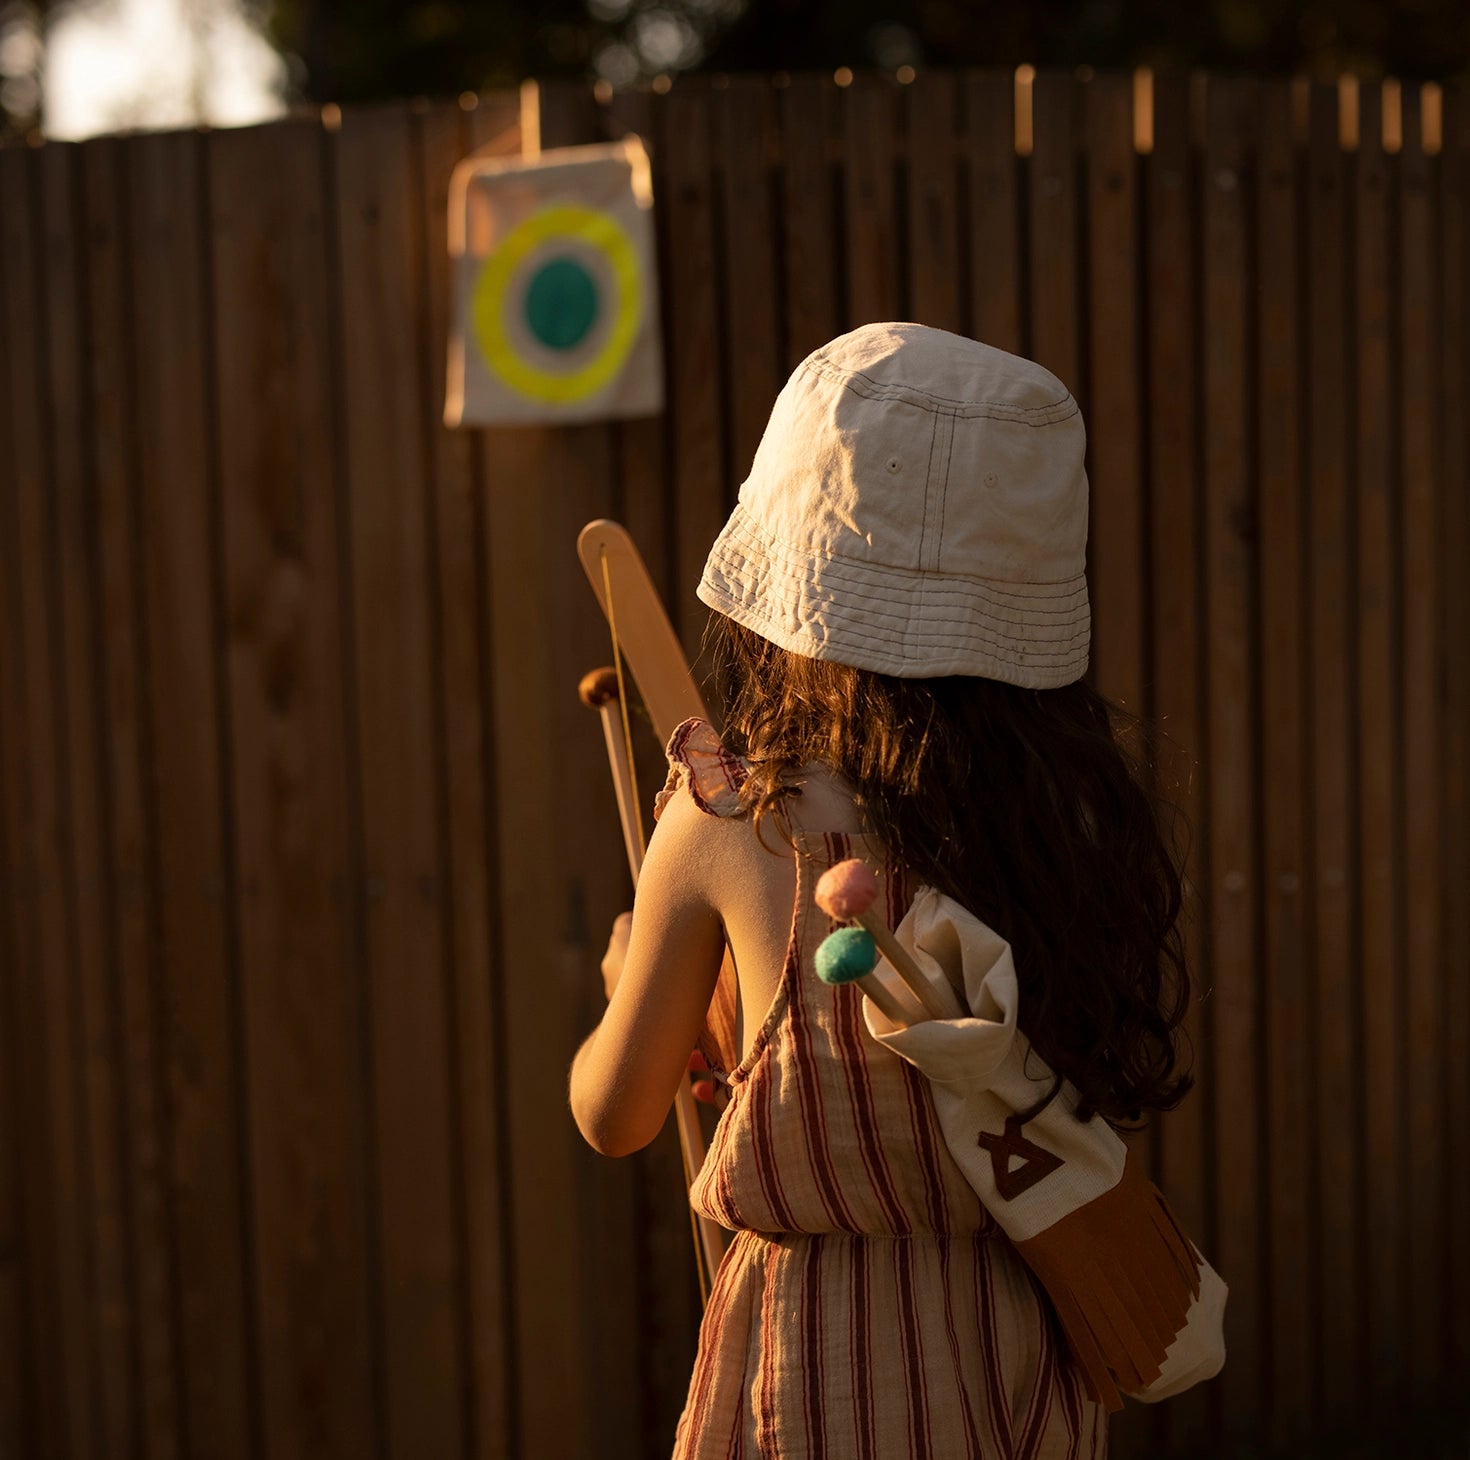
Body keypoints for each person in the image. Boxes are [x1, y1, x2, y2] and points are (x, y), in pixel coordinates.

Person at [569, 323, 1198, 1458]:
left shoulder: (722, 820)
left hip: (808, 1379)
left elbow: (614, 1112)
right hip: (1019, 1339)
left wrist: (630, 982)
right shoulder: (1064, 829)